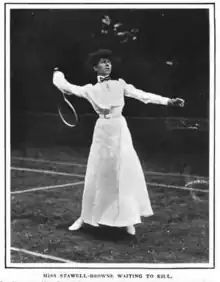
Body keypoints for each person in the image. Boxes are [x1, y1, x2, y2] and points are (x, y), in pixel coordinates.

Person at [53, 49, 184, 235]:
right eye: (103, 62)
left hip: (120, 131)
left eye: (109, 62)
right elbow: (65, 86)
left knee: (124, 173)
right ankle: (85, 217)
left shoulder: (120, 85)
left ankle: (128, 219)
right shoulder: (89, 89)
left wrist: (169, 101)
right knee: (96, 173)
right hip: (102, 132)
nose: (107, 65)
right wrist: (57, 72)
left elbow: (143, 95)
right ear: (94, 67)